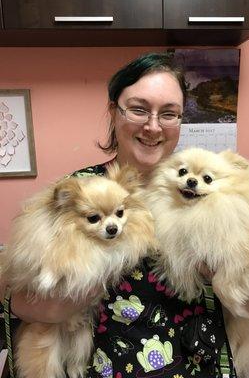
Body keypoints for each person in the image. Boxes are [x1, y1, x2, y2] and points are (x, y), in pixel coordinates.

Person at [0, 52, 236, 378]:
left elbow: (246, 281)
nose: (153, 126)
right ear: (114, 111)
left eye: (169, 114)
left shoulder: (203, 186)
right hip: (103, 366)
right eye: (139, 109)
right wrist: (37, 305)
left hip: (193, 361)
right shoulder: (77, 191)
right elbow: (17, 290)